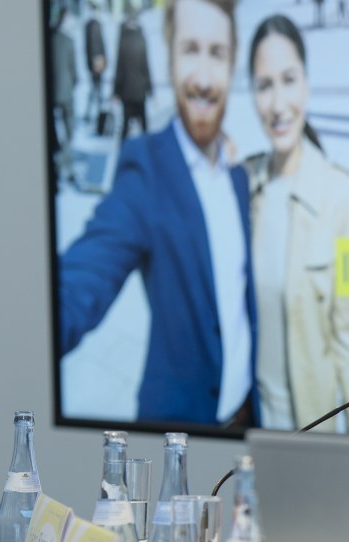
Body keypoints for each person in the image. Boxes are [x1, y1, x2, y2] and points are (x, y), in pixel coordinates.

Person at [59, 0, 257, 426]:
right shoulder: (145, 169)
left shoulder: (239, 174)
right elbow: (86, 274)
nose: (203, 78)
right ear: (169, 57)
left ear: (232, 64)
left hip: (247, 419)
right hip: (183, 432)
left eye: (216, 53)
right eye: (190, 50)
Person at [242, 15, 349, 433]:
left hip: (310, 433)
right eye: (264, 85)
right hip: (242, 432)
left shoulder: (343, 197)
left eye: (288, 79)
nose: (278, 104)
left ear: (307, 85)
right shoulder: (240, 186)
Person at [112, 6, 152, 141]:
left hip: (126, 91)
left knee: (125, 125)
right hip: (140, 91)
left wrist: (116, 91)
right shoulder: (141, 37)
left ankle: (122, 153)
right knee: (144, 126)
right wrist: (150, 88)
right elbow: (145, 65)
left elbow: (119, 67)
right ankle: (146, 153)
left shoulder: (123, 39)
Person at [50, 4, 78, 185]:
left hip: (53, 92)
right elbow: (73, 70)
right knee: (68, 128)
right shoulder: (68, 41)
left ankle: (59, 161)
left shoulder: (50, 40)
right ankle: (65, 163)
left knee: (55, 130)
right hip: (66, 91)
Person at [83, 6, 107, 127]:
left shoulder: (92, 24)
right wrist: (97, 62)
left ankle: (92, 113)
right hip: (97, 63)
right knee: (95, 90)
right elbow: (95, 46)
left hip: (96, 62)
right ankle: (94, 114)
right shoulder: (93, 25)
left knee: (96, 90)